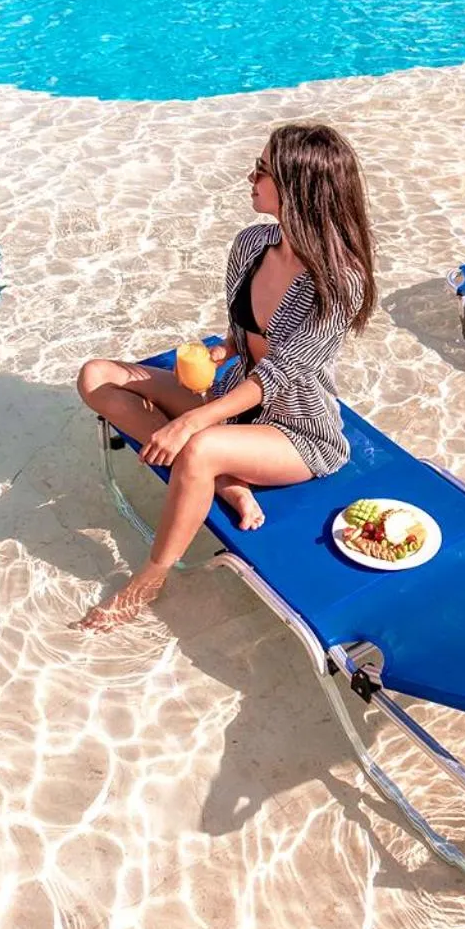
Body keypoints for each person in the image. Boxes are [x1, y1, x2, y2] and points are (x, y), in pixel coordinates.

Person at [74, 122, 379, 631]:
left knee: (199, 448)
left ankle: (152, 576)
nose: (250, 176)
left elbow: (283, 371)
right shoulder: (252, 244)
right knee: (98, 376)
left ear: (297, 185)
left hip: (295, 431)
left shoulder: (339, 282)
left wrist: (191, 424)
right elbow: (246, 331)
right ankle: (228, 482)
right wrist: (226, 349)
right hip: (229, 395)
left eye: (262, 169)